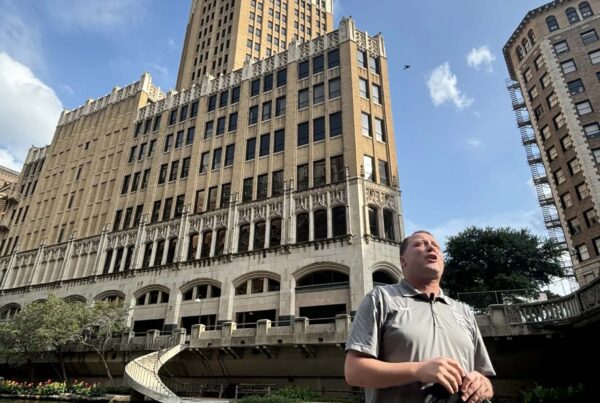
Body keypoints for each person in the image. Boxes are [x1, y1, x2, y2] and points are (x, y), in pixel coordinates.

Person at [344, 231, 495, 403]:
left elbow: (483, 375)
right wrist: (418, 370)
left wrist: (484, 385)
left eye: (436, 245)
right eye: (419, 244)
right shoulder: (381, 299)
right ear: (403, 261)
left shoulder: (464, 311)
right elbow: (353, 372)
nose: (431, 247)